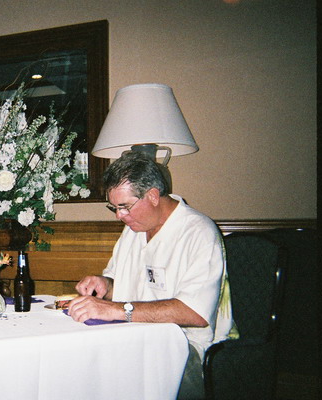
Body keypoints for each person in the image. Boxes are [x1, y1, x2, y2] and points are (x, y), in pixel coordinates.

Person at [67, 151, 233, 399]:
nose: (119, 216)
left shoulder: (198, 232)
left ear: (153, 196)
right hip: (132, 336)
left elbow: (195, 313)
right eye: (114, 208)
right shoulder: (134, 229)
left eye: (124, 207)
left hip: (182, 346)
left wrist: (117, 310)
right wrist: (104, 285)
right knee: (75, 360)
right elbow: (121, 286)